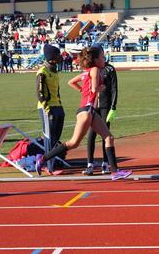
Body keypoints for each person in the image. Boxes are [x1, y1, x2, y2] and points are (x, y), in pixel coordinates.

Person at [36, 45, 132, 180]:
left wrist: (82, 91)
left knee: (109, 138)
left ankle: (115, 172)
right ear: (96, 59)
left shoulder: (86, 71)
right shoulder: (94, 70)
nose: (105, 59)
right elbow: (94, 90)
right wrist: (101, 87)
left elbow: (71, 82)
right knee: (73, 143)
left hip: (89, 110)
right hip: (86, 111)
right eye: (103, 57)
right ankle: (43, 158)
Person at [83, 59, 119, 175]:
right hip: (93, 105)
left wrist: (113, 107)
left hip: (105, 105)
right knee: (91, 135)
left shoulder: (109, 69)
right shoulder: (91, 69)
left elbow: (114, 88)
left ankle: (105, 163)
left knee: (105, 134)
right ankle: (90, 164)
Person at [36, 44, 65, 174]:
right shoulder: (42, 72)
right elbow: (39, 93)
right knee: (49, 137)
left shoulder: (55, 71)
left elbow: (57, 92)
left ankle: (51, 162)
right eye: (57, 55)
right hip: (48, 109)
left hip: (58, 107)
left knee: (56, 137)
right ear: (52, 57)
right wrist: (46, 107)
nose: (60, 57)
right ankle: (49, 167)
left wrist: (60, 105)